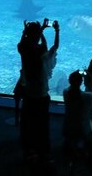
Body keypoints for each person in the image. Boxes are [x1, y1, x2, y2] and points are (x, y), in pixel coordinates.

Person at [17, 18, 59, 161]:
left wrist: (28, 32)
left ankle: (28, 150)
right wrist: (53, 30)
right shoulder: (41, 53)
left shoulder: (24, 50)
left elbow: (24, 43)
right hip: (41, 93)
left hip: (28, 92)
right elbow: (49, 46)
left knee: (28, 122)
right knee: (42, 123)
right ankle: (43, 151)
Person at [62, 70, 92, 165]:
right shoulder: (86, 96)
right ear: (81, 82)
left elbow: (72, 84)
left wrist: (78, 72)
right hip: (81, 128)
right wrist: (90, 78)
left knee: (71, 140)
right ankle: (79, 151)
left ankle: (71, 150)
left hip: (68, 125)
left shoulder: (65, 92)